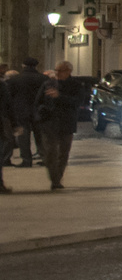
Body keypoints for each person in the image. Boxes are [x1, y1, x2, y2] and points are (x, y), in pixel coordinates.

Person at [34, 61, 79, 190]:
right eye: (56, 70)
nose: (57, 73)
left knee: (63, 153)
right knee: (50, 153)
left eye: (61, 70)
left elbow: (76, 102)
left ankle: (57, 179)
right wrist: (40, 115)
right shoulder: (48, 84)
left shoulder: (75, 85)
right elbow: (38, 102)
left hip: (66, 123)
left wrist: (59, 96)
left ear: (68, 71)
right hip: (49, 123)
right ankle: (55, 178)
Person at [8, 56, 45, 167]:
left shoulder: (14, 79)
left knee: (23, 136)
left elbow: (10, 96)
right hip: (39, 110)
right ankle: (44, 157)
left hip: (20, 111)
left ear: (23, 66)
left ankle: (26, 159)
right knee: (40, 135)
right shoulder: (43, 79)